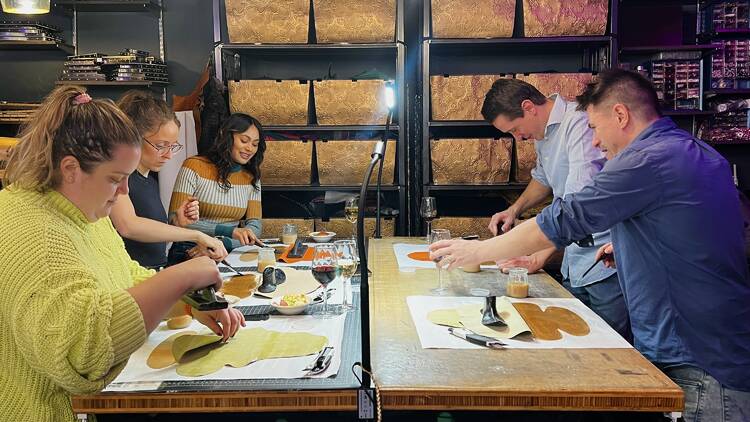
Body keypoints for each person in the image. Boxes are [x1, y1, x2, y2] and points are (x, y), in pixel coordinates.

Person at [430, 69, 750, 422]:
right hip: (713, 348)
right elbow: (701, 228)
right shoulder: (694, 152)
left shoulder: (646, 159)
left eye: (595, 129)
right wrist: (633, 247)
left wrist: (476, 252)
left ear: (621, 115)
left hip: (697, 361)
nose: (594, 142)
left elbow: (568, 217)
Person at [0, 86, 245, 421]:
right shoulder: (33, 229)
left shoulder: (82, 208)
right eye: (116, 178)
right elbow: (82, 351)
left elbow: (124, 277)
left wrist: (188, 302)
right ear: (71, 168)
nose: (125, 191)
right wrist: (183, 276)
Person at [481, 79, 630, 340]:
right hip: (574, 261)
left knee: (608, 351)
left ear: (529, 107)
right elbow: (544, 178)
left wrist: (540, 255)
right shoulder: (544, 131)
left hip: (603, 263)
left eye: (515, 129)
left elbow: (579, 205)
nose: (518, 138)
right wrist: (515, 209)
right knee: (577, 347)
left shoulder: (579, 123)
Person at [112, 90, 227, 269]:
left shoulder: (149, 179)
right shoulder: (118, 176)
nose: (169, 155)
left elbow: (153, 240)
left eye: (173, 146)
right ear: (133, 136)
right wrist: (196, 235)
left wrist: (177, 223)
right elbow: (128, 225)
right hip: (130, 279)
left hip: (153, 274)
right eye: (161, 146)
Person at [168, 113, 265, 264]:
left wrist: (223, 243)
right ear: (226, 137)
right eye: (244, 140)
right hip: (191, 248)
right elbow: (175, 219)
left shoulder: (252, 178)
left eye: (255, 144)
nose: (250, 148)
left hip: (230, 249)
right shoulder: (194, 166)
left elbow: (255, 228)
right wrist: (228, 232)